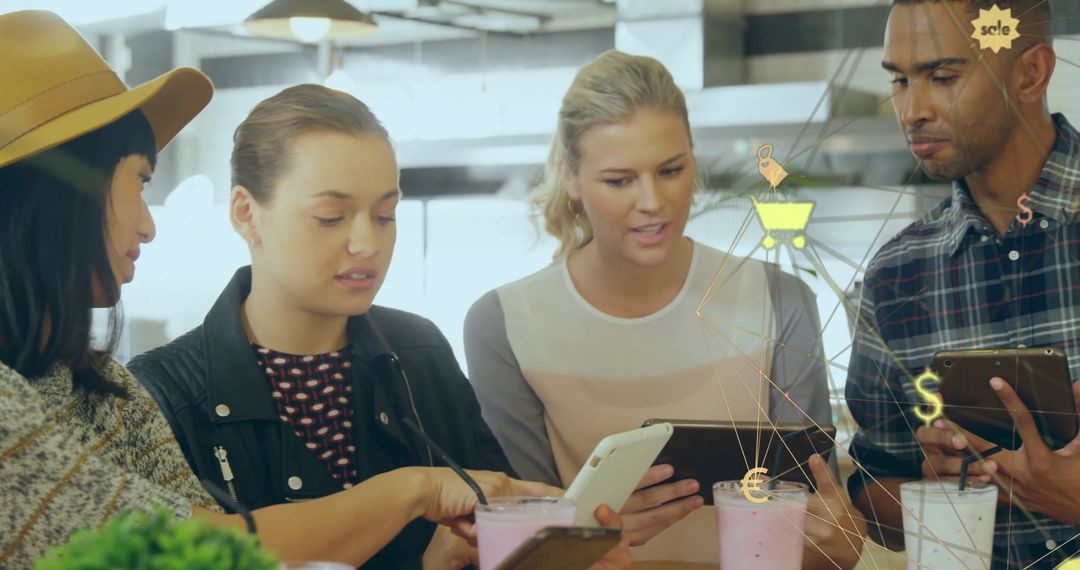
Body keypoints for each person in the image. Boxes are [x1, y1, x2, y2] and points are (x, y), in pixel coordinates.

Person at [0, 11, 625, 570]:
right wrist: (416, 491)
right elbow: (212, 554)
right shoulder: (156, 386)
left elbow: (211, 547)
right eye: (331, 217)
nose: (366, 244)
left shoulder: (104, 390)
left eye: (385, 215)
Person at [464, 49, 867, 568]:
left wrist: (839, 544)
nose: (652, 201)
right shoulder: (504, 324)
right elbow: (519, 549)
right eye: (619, 180)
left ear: (693, 160)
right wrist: (584, 536)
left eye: (670, 170)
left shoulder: (778, 298)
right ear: (570, 177)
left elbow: (816, 528)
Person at [844, 0, 1080, 566]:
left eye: (943, 76)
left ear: (1031, 72)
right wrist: (938, 490)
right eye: (900, 80)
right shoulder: (896, 275)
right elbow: (875, 486)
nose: (912, 110)